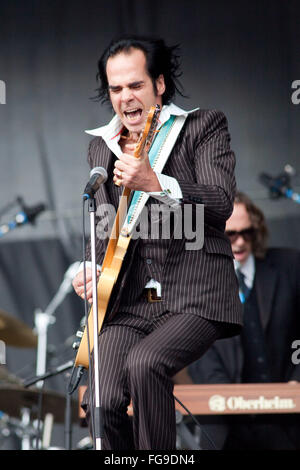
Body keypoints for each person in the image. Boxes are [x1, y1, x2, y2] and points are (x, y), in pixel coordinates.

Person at [72, 35, 242, 450]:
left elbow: (221, 203)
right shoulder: (102, 145)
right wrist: (89, 268)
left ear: (159, 84)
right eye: (116, 89)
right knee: (101, 400)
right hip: (129, 301)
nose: (125, 97)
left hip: (194, 295)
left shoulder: (202, 126)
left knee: (147, 364)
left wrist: (158, 183)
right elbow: (103, 223)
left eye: (136, 85)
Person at [188, 191, 300, 450]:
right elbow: (196, 348)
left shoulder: (290, 266)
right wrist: (228, 398)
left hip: (287, 420)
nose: (239, 242)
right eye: (230, 234)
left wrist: (297, 376)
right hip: (227, 423)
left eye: (247, 233)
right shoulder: (197, 282)